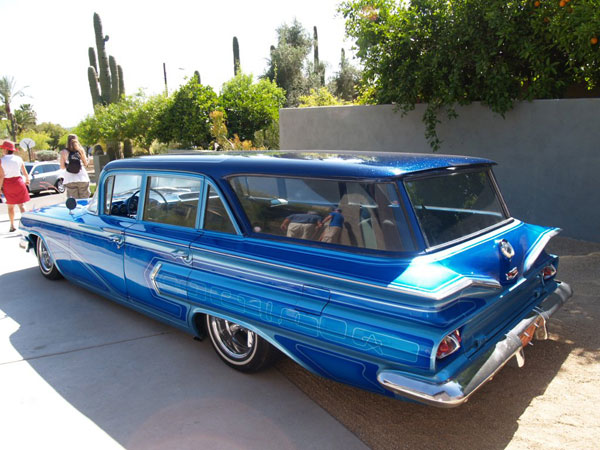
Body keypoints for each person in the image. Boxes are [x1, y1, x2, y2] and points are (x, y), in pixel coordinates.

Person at [0, 140, 31, 232]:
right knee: (22, 205)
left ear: (5, 149)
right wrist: (27, 179)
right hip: (19, 182)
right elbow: (24, 171)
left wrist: (0, 187)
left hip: (8, 184)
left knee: (10, 206)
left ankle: (12, 225)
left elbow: (1, 176)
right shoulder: (19, 159)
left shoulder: (1, 160)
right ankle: (27, 224)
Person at [60, 134, 90, 199]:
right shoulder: (80, 150)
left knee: (74, 202)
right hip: (82, 178)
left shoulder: (64, 152)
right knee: (85, 200)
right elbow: (85, 163)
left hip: (70, 179)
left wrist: (69, 166)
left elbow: (62, 167)